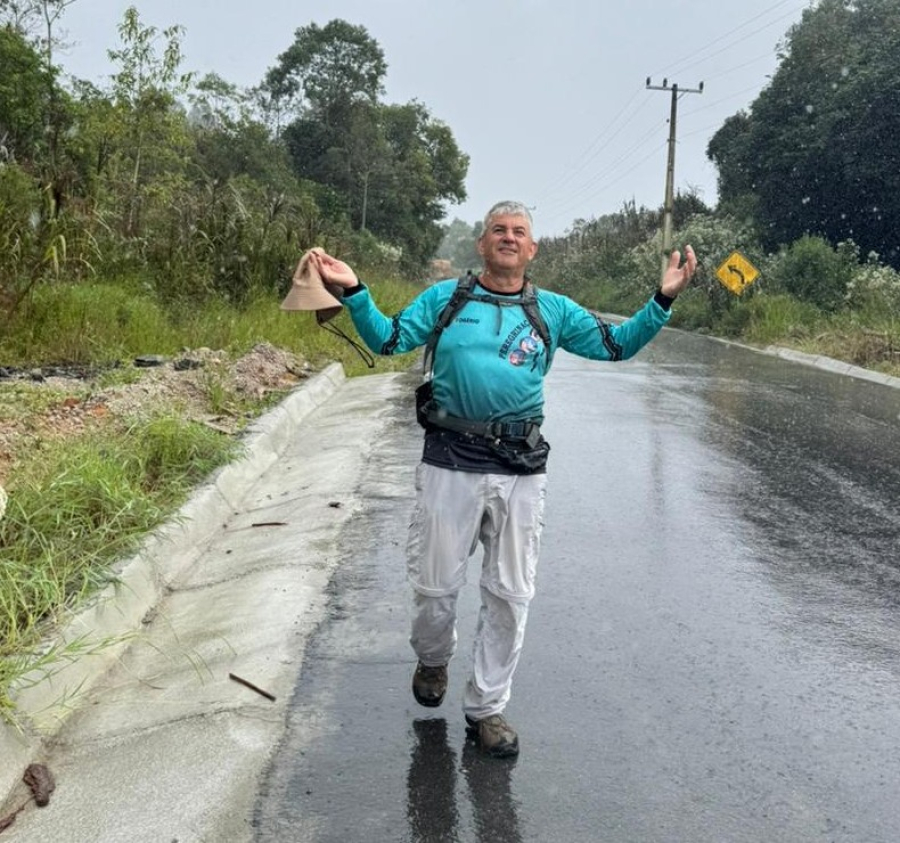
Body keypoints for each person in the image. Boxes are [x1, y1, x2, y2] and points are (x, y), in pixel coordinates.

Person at [311, 200, 697, 758]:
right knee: (434, 592)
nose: (509, 238)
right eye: (499, 230)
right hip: (449, 459)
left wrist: (662, 298)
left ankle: (487, 708)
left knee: (510, 595)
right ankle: (433, 658)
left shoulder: (554, 310)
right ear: (482, 243)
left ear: (533, 249)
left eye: (519, 232)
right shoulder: (446, 300)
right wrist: (354, 291)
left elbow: (618, 345)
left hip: (521, 469)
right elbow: (389, 339)